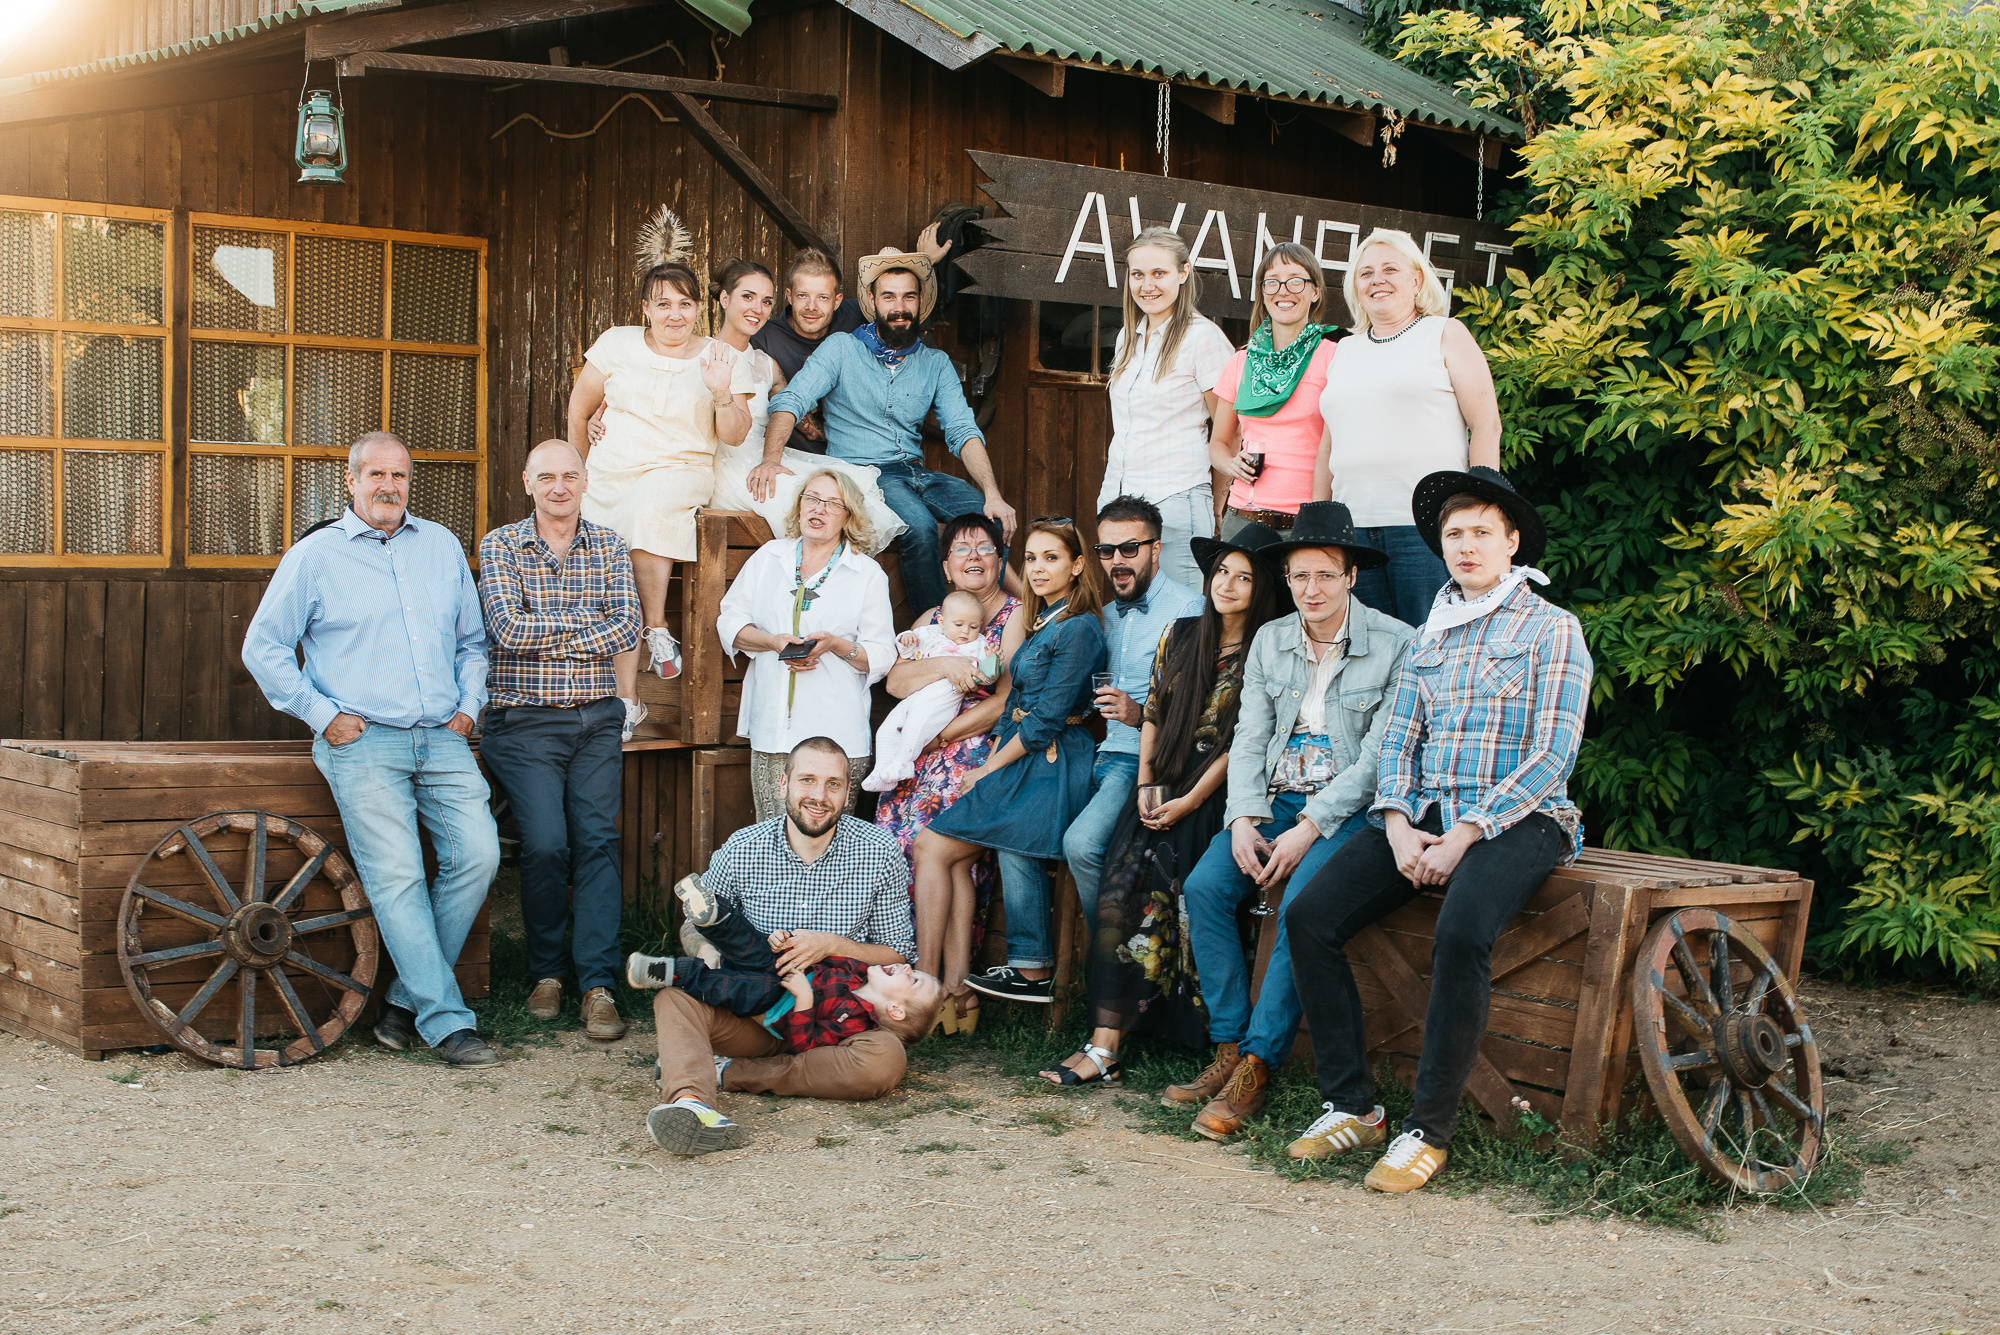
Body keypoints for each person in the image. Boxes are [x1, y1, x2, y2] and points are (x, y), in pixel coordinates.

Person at [1283, 467, 1589, 1194]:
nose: (1466, 545)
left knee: (1460, 929)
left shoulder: (1552, 628)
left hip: (1527, 815)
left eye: (1482, 531)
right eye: (1454, 534)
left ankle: (1428, 1128)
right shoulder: (1432, 634)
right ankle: (1351, 1104)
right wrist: (1394, 822)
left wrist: (1468, 834)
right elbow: (1399, 743)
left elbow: (1555, 752)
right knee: (1309, 915)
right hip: (1423, 816)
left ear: (1511, 542)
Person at [242, 431, 502, 1068]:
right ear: (351, 482)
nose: (390, 487)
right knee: (399, 879)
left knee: (479, 855)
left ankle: (408, 999)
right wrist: (322, 715)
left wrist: (469, 710)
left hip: (442, 738)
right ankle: (446, 1022)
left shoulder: (440, 546)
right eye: (377, 475)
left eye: (401, 476)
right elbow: (264, 646)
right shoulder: (316, 557)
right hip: (363, 744)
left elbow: (473, 642)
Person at [1163, 502, 1417, 1137]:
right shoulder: (1270, 641)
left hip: (1348, 813)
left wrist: (1310, 828)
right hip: (1273, 800)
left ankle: (1258, 1063)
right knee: (1204, 888)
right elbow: (1249, 738)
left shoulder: (1397, 644)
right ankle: (1227, 1046)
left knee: (1300, 905)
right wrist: (1245, 816)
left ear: (1351, 575)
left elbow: (1380, 760)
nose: (1312, 589)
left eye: (1326, 575)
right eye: (1300, 576)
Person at [1038, 525, 1289, 1086]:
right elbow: (1152, 712)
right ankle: (1103, 1046)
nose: (1227, 583)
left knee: (1184, 904)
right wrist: (1147, 783)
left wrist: (1190, 800)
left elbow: (1248, 738)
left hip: (1217, 796)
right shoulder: (1182, 632)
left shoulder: (1268, 647)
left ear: (1263, 588)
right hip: (1160, 783)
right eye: (1221, 571)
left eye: (1243, 577)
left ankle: (1200, 1041)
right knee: (1117, 899)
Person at [646, 737, 919, 1154]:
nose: (819, 796)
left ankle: (730, 1073)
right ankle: (691, 1104)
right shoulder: (743, 847)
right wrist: (705, 951)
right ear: (783, 784)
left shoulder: (879, 851)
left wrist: (832, 945)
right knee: (674, 998)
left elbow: (897, 951)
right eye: (807, 780)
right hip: (754, 1012)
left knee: (886, 1060)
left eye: (833, 784)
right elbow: (693, 926)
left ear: (848, 793)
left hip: (836, 1027)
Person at [476, 440, 641, 1042]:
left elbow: (627, 625)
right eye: (546, 477)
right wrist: (586, 630)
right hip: (523, 723)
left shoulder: (610, 545)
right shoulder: (500, 545)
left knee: (597, 841)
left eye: (569, 476)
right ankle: (546, 973)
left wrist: (559, 634)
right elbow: (508, 628)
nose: (559, 487)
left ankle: (597, 984)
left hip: (596, 718)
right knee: (545, 845)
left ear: (584, 480)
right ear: (527, 482)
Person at [754, 246, 1017, 618]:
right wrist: (770, 459)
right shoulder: (842, 348)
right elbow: (791, 400)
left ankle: (997, 619)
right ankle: (935, 629)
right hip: (867, 473)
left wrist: (993, 493)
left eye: (908, 296)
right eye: (889, 296)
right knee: (920, 528)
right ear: (872, 301)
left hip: (916, 471)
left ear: (920, 302)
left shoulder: (935, 363)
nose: (899, 305)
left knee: (988, 517)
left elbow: (962, 429)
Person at [567, 206, 758, 714]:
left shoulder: (719, 355)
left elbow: (736, 434)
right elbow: (579, 408)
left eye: (685, 304)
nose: (675, 314)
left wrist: (721, 394)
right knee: (604, 552)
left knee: (648, 511)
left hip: (679, 469)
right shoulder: (616, 342)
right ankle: (627, 698)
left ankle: (655, 626)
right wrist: (578, 472)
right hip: (611, 470)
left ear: (699, 308)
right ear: (645, 308)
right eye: (663, 304)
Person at [920, 519, 1109, 1008]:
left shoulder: (1079, 627)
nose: (1039, 568)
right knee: (950, 852)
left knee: (932, 847)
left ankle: (935, 985)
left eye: (1052, 557)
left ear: (1078, 565)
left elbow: (1045, 718)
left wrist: (986, 769)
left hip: (1048, 760)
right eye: (1031, 558)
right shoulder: (1042, 619)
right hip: (1022, 754)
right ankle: (959, 989)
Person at [874, 514, 1025, 1030]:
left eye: (985, 548)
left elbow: (1005, 702)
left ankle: (950, 985)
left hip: (972, 752)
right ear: (945, 566)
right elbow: (896, 681)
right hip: (916, 756)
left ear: (1000, 559)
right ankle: (928, 988)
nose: (975, 557)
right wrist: (943, 667)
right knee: (898, 856)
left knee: (954, 859)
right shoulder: (930, 620)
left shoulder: (1015, 616)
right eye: (962, 549)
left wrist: (945, 738)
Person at [1316, 227, 1503, 626]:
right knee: (1366, 652)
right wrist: (1320, 521)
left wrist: (1476, 513)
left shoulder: (1445, 333)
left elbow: (1486, 425)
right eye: (1365, 273)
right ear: (1355, 287)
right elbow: (1328, 445)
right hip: (1354, 531)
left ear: (1416, 280)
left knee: (1432, 640)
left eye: (1390, 269)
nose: (1377, 279)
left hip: (1424, 527)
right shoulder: (1344, 350)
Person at [1057, 496, 1202, 936]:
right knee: (1019, 826)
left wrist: (1139, 715)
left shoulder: (1190, 610)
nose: (1116, 560)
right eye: (1106, 550)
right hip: (1092, 751)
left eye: (1129, 548)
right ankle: (1034, 964)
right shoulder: (1100, 616)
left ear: (1156, 550)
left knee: (1080, 845)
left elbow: (1199, 711)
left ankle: (1112, 953)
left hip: (1140, 759)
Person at [717, 468, 896, 820]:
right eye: (812, 499)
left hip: (837, 734)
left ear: (848, 517)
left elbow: (883, 655)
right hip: (774, 731)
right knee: (772, 838)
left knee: (831, 843)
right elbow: (729, 621)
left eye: (833, 504)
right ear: (799, 505)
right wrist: (771, 641)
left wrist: (834, 645)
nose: (819, 509)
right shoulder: (770, 557)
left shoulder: (866, 574)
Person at [704, 258, 907, 549]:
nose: (756, 309)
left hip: (768, 455)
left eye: (765, 301)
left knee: (852, 484)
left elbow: (790, 406)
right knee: (812, 499)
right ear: (725, 298)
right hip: (730, 464)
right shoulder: (703, 355)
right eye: (747, 297)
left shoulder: (765, 363)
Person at [626, 874, 942, 1050]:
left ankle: (670, 971)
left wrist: (804, 1000)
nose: (907, 967)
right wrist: (785, 941)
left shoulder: (858, 1024)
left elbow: (807, 1043)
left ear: (896, 1010)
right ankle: (712, 916)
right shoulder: (859, 972)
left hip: (775, 1003)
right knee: (749, 941)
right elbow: (821, 956)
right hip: (783, 967)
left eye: (913, 980)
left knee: (735, 988)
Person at [1099, 227, 1235, 590]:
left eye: (1159, 273)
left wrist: (1218, 505)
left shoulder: (1202, 338)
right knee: (1132, 618)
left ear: (1183, 273)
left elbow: (1230, 430)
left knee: (1181, 623)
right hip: (1120, 503)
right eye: (1138, 274)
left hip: (1175, 500)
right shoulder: (1128, 336)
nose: (1147, 285)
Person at [748, 226, 953, 439]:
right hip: (795, 456)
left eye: (823, 297)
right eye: (802, 296)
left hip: (854, 454)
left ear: (837, 301)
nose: (812, 306)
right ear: (789, 296)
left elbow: (895, 302)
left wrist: (925, 262)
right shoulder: (765, 338)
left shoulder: (856, 315)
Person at [1210, 244, 1340, 536]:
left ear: (1315, 292)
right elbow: (1218, 443)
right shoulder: (1241, 362)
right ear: (1263, 293)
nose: (1283, 291)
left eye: (1296, 280)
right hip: (1242, 517)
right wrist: (1232, 464)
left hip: (1305, 521)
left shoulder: (1334, 358)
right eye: (1272, 282)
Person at [862, 591, 997, 793]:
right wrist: (906, 640)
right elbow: (908, 652)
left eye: (973, 626)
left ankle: (902, 763)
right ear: (942, 621)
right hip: (918, 693)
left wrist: (992, 659)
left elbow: (988, 677)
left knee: (916, 725)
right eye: (958, 624)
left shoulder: (978, 644)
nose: (966, 632)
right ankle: (881, 770)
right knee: (889, 727)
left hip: (945, 695)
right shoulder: (929, 633)